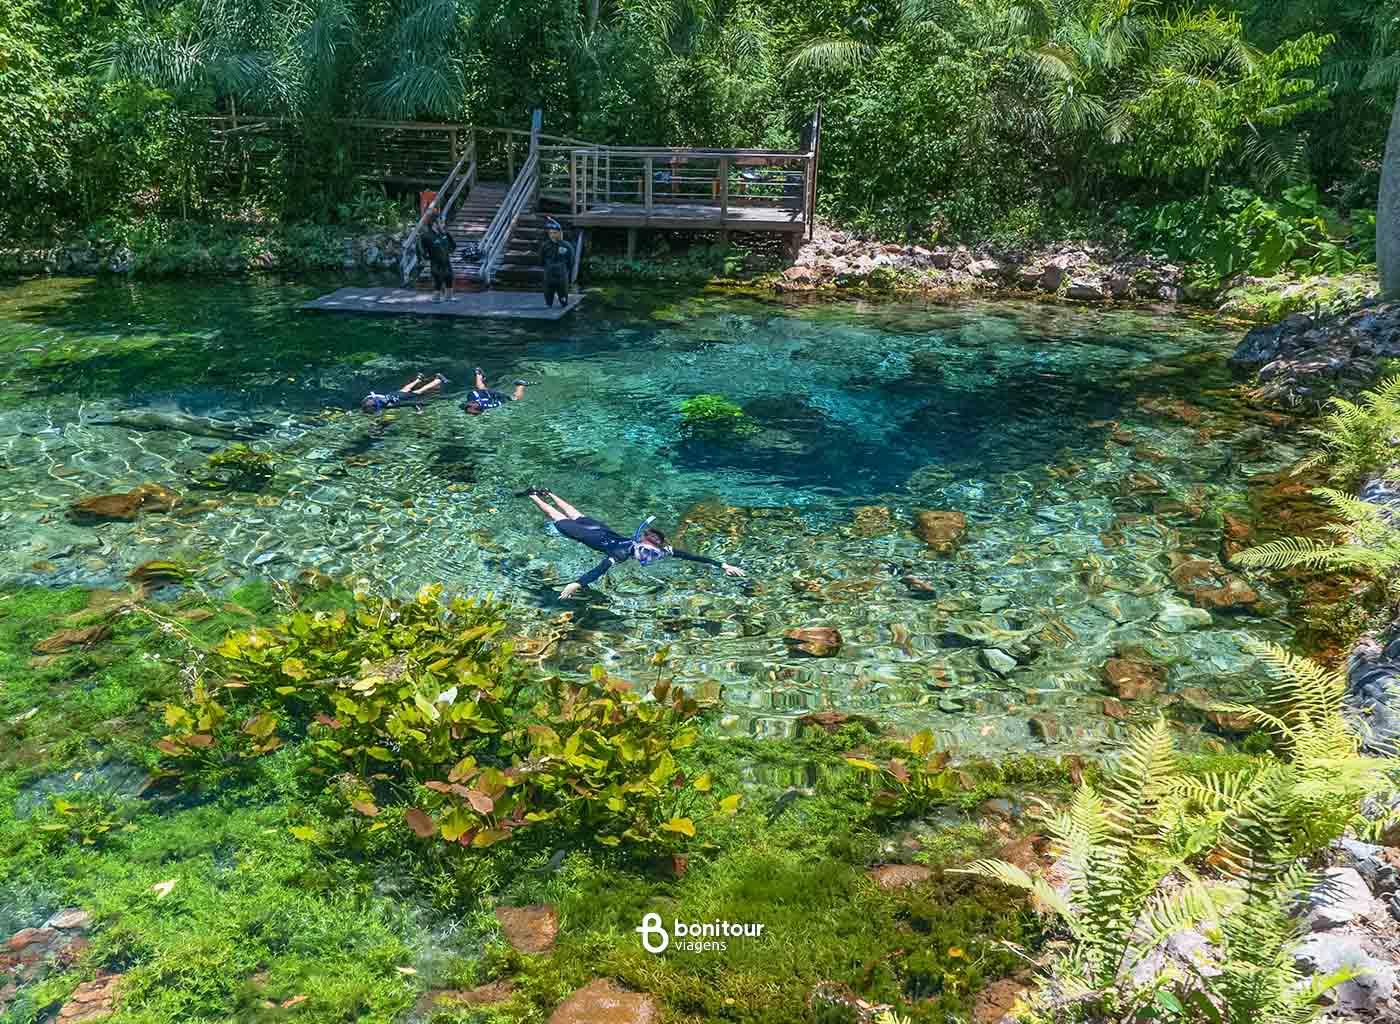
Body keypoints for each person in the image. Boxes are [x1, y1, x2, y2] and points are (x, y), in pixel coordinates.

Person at [519, 489, 746, 598]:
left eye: (652, 555)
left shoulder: (661, 549)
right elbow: (597, 571)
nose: (648, 558)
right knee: (557, 516)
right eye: (646, 554)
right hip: (584, 534)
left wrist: (721, 564)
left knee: (576, 513)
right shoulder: (620, 554)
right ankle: (534, 495)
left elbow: (691, 557)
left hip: (600, 529)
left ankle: (549, 491)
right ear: (640, 545)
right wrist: (576, 584)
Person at [360, 373, 447, 415]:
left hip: (399, 398)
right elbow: (373, 395)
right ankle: (419, 379)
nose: (371, 412)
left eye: (371, 411)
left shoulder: (390, 405)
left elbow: (408, 403)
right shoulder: (377, 398)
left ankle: (438, 380)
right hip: (392, 394)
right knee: (405, 389)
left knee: (419, 391)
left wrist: (418, 409)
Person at [462, 366, 531, 416]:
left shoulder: (488, 404)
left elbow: (501, 401)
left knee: (515, 398)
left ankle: (520, 385)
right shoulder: (470, 399)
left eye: (471, 413)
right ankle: (478, 375)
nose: (470, 414)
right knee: (481, 389)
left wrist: (507, 399)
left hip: (491, 396)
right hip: (479, 394)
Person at [419, 214, 457, 302]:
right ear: (434, 224)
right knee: (438, 278)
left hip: (446, 261)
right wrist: (423, 258)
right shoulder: (426, 236)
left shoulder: (445, 233)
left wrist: (449, 250)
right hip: (436, 263)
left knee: (449, 277)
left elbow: (453, 245)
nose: (443, 224)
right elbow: (421, 249)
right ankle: (436, 297)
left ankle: (449, 297)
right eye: (441, 222)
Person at [538, 218, 573, 308]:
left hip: (561, 276)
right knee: (548, 300)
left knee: (563, 300)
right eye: (550, 233)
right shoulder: (545, 245)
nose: (552, 235)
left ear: (559, 233)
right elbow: (541, 260)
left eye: (554, 233)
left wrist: (566, 270)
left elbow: (571, 261)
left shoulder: (567, 246)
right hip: (549, 275)